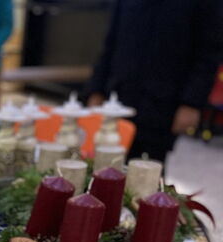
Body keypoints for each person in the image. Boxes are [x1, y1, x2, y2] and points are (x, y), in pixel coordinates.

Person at [85, 0, 223, 163]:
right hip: (118, 98)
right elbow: (110, 44)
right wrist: (96, 89)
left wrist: (191, 103)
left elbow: (208, 56)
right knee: (104, 163)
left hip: (163, 103)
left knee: (147, 167)